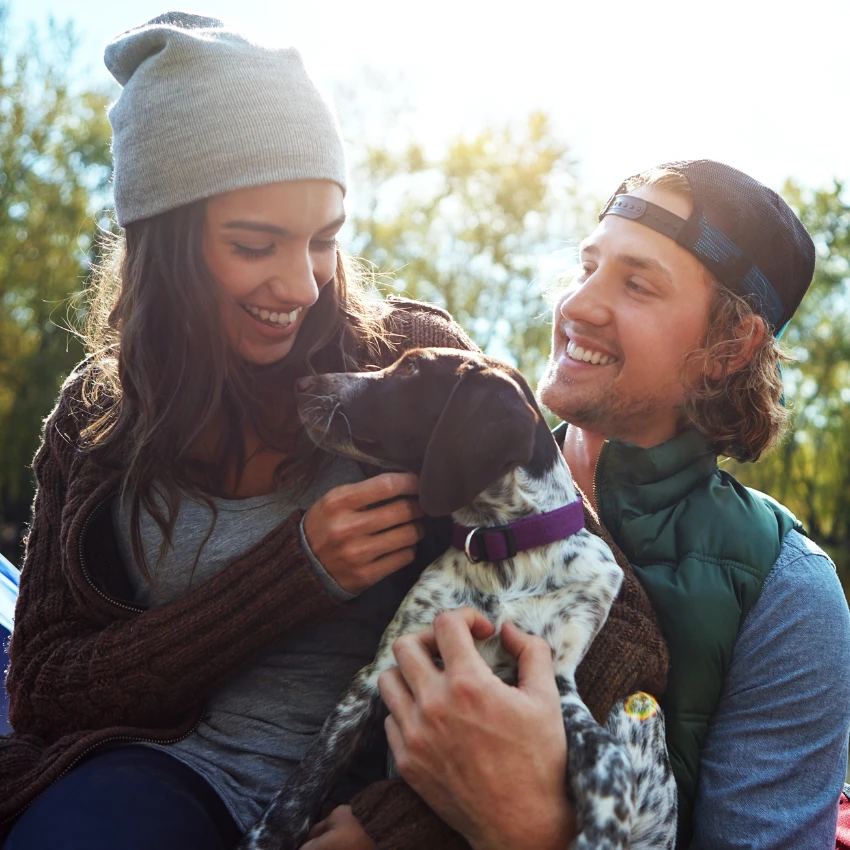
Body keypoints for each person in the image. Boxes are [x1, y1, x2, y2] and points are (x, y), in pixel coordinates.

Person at [0, 12, 669, 850]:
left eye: (325, 240)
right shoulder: (97, 421)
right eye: (255, 244)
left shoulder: (415, 364)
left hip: (375, 796)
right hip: (160, 777)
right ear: (164, 244)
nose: (302, 283)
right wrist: (292, 574)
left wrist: (399, 826)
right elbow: (45, 690)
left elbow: (621, 628)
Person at [377, 161, 850, 848]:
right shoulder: (441, 478)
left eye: (637, 284)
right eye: (586, 265)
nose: (577, 305)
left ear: (730, 345)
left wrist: (531, 828)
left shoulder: (787, 593)